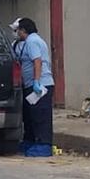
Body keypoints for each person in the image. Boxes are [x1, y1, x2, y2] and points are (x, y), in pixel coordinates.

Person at [11, 17, 54, 157]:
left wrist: (36, 81)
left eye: (18, 31)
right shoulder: (28, 42)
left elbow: (37, 61)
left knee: (41, 116)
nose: (17, 34)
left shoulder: (32, 41)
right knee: (31, 115)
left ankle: (44, 144)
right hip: (30, 85)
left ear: (23, 30)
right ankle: (30, 140)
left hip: (41, 85)